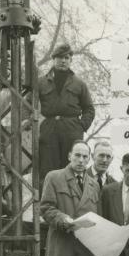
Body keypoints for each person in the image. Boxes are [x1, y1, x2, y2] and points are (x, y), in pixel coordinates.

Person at [37, 43, 95, 180]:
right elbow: (27, 105)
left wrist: (81, 126)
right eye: (59, 57)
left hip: (71, 131)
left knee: (72, 168)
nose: (63, 61)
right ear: (53, 59)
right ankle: (47, 200)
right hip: (49, 130)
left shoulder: (79, 84)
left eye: (67, 58)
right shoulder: (41, 83)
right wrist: (34, 125)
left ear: (70, 60)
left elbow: (89, 109)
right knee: (47, 169)